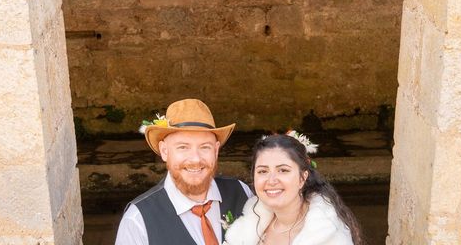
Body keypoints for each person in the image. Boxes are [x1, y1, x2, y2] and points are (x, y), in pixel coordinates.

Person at [115, 98, 252, 245]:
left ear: (216, 150)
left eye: (205, 147)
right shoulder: (137, 221)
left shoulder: (242, 192)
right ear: (164, 151)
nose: (195, 159)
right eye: (183, 147)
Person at [223, 133, 364, 245]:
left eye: (283, 170)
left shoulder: (327, 233)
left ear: (302, 178)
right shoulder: (249, 226)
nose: (271, 180)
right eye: (263, 171)